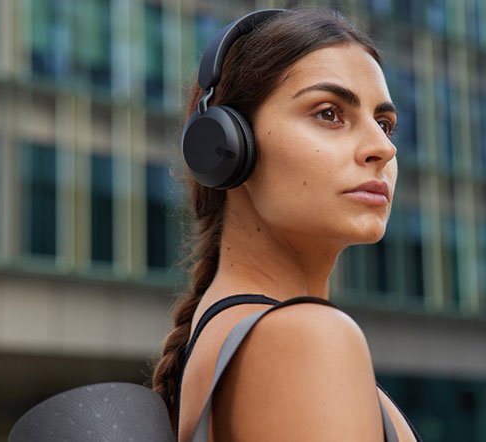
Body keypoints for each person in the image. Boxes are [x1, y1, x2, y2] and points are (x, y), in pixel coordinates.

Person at [151, 8, 421, 442]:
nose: (381, 149)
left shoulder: (243, 338)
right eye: (329, 113)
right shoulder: (303, 339)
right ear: (227, 146)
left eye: (385, 124)